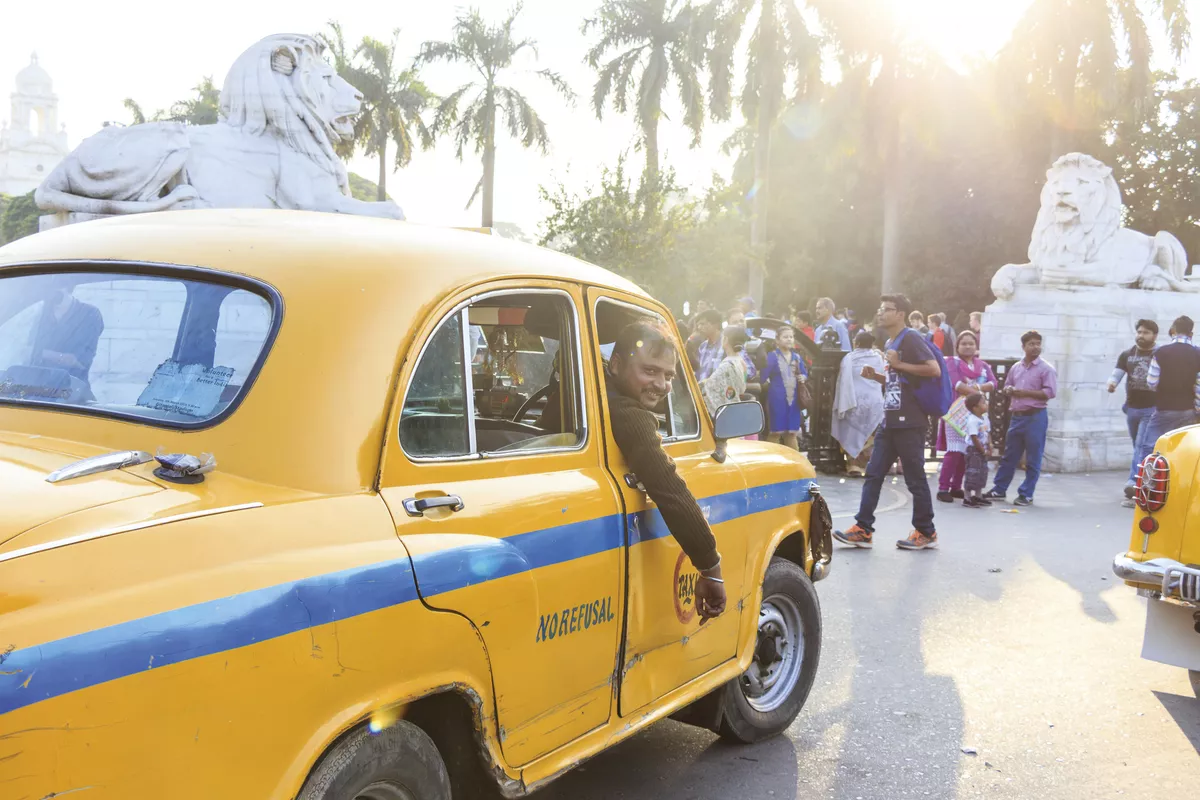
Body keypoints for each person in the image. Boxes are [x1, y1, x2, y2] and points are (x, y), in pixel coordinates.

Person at [606, 321, 726, 621]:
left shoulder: (595, 397)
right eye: (649, 371)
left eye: (669, 375)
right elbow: (668, 489)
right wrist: (711, 568)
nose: (661, 385)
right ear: (616, 365)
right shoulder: (628, 415)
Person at [834, 294, 942, 551]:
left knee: (915, 478)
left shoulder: (911, 338)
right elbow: (900, 381)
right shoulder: (893, 340)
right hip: (890, 419)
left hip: (910, 422)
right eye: (880, 309)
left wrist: (900, 364)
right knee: (873, 474)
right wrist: (880, 377)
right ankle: (863, 529)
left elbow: (933, 369)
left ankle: (926, 531)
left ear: (900, 314)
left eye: (886, 309)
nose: (881, 313)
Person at [985, 331, 1057, 506]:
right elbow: (1008, 383)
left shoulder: (1046, 369)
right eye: (1031, 344)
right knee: (1010, 455)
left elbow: (1050, 392)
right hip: (1017, 416)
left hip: (1035, 416)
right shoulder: (1016, 367)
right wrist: (1009, 390)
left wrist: (1023, 393)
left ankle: (1026, 493)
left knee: (1033, 457)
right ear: (1023, 346)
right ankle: (999, 489)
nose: (1035, 347)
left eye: (1038, 343)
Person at [936, 331, 997, 502]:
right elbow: (957, 385)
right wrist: (979, 391)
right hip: (957, 413)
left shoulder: (983, 365)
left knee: (968, 452)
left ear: (976, 346)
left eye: (971, 343)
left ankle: (956, 487)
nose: (968, 346)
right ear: (957, 346)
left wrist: (974, 389)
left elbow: (994, 383)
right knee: (954, 451)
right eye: (964, 343)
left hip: (976, 415)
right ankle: (943, 488)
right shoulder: (951, 363)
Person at [1137, 315, 1200, 472]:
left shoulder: (1161, 353)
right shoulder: (1197, 354)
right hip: (1188, 410)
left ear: (1172, 331)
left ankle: (1145, 481)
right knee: (1183, 449)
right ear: (1191, 334)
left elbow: (1151, 382)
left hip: (1164, 409)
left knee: (1150, 446)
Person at [1107, 319, 1158, 498]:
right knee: (1138, 445)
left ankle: (1133, 482)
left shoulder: (1159, 354)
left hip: (1151, 408)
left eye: (1145, 333)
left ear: (1154, 335)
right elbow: (1117, 373)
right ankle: (1146, 477)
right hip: (1132, 408)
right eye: (1139, 332)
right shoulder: (1127, 354)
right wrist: (1112, 384)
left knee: (1141, 445)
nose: (1141, 336)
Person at [833, 331, 886, 477]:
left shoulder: (849, 358)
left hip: (854, 401)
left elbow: (843, 381)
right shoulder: (878, 357)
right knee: (871, 433)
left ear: (856, 343)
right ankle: (868, 464)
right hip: (875, 401)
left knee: (852, 432)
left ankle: (853, 465)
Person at [31, 285, 105, 388]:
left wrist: (41, 353)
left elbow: (80, 361)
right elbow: (22, 351)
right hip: (34, 390)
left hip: (71, 392)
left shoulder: (89, 314)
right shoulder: (39, 314)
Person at [764, 325, 807, 449]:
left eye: (791, 337)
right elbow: (763, 376)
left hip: (794, 400)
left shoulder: (797, 357)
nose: (789, 339)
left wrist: (803, 377)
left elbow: (804, 372)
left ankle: (794, 464)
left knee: (792, 433)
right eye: (785, 337)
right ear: (777, 340)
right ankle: (770, 463)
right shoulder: (772, 356)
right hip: (776, 398)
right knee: (775, 432)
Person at [699, 326, 749, 417]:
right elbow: (742, 389)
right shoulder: (741, 362)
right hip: (736, 409)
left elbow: (707, 387)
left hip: (726, 414)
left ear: (725, 339)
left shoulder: (727, 366)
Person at [961, 393, 991, 508]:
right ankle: (967, 497)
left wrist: (990, 445)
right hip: (974, 450)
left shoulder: (985, 418)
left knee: (982, 473)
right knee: (972, 472)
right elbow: (974, 438)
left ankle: (978, 496)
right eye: (983, 403)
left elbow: (987, 432)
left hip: (982, 448)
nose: (986, 404)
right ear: (975, 407)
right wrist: (982, 450)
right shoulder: (972, 420)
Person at [691, 309, 724, 381]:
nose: (699, 327)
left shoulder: (727, 345)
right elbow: (698, 373)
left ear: (715, 325)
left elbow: (746, 370)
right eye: (698, 325)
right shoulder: (702, 347)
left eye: (702, 324)